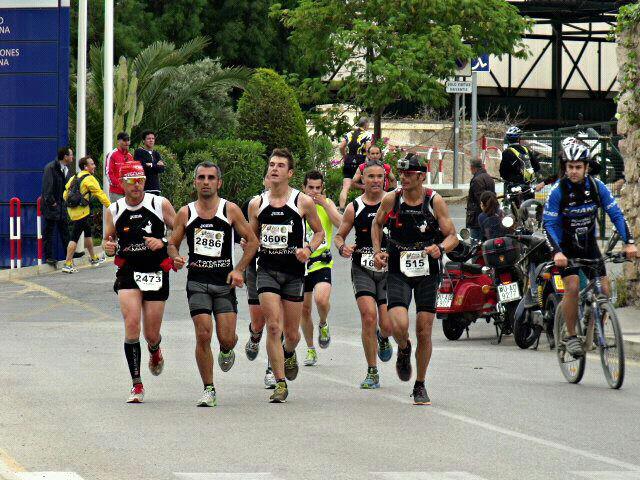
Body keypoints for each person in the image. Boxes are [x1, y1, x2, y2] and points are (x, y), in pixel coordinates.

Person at [168, 161, 259, 407]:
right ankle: (209, 388)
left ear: (219, 183)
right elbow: (173, 243)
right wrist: (175, 257)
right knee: (203, 334)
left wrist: (239, 269)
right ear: (195, 182)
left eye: (210, 178)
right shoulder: (186, 212)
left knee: (226, 338)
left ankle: (228, 348)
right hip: (197, 282)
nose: (206, 182)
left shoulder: (230, 210)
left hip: (223, 284)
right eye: (201, 177)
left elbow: (252, 241)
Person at [371, 153, 459, 405]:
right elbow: (377, 224)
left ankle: (420, 384)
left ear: (421, 176)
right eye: (402, 173)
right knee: (398, 325)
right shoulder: (392, 199)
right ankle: (403, 347)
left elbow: (452, 236)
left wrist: (440, 248)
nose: (404, 178)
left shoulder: (434, 201)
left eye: (409, 174)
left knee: (424, 329)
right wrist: (377, 252)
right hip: (398, 266)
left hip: (427, 270)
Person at [543, 142, 637, 357]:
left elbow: (616, 214)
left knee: (604, 290)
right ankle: (571, 336)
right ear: (565, 167)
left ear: (586, 167)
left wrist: (629, 242)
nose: (574, 171)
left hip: (588, 245)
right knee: (573, 286)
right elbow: (549, 225)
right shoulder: (558, 191)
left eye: (578, 167)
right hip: (564, 247)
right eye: (570, 167)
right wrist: (557, 252)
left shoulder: (597, 187)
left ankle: (595, 326)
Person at [247, 148, 324, 403]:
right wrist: (247, 247)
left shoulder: (303, 202)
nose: (274, 168)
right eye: (272, 164)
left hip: (294, 273)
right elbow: (252, 238)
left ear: (290, 173)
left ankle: (289, 352)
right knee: (273, 326)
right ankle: (280, 383)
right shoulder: (257, 204)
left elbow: (319, 232)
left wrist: (308, 249)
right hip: (266, 270)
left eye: (280, 165)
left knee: (292, 334)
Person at [102, 162, 177, 403]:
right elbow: (108, 240)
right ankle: (136, 384)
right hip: (129, 271)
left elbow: (180, 230)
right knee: (132, 324)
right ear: (121, 183)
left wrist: (162, 242)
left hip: (155, 270)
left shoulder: (159, 204)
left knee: (151, 334)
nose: (137, 185)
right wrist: (108, 247)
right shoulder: (114, 210)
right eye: (132, 181)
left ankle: (155, 350)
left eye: (141, 180)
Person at [335, 160, 394, 389]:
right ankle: (372, 371)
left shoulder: (393, 202)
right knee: (369, 317)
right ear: (363, 180)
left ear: (384, 179)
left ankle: (383, 337)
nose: (376, 180)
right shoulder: (355, 207)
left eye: (380, 176)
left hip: (389, 271)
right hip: (362, 268)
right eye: (371, 176)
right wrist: (342, 247)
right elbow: (339, 236)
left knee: (387, 325)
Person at [300, 170, 342, 366]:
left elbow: (341, 224)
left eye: (318, 188)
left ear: (322, 188)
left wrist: (324, 204)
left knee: (321, 299)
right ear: (304, 188)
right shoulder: (298, 203)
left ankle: (323, 323)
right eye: (310, 188)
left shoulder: (328, 203)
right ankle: (310, 349)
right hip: (301, 263)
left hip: (321, 261)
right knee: (304, 309)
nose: (314, 192)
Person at [241, 176, 278, 388]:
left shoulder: (295, 202)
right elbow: (244, 232)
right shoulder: (253, 203)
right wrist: (245, 241)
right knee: (259, 322)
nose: (273, 179)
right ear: (264, 181)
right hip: (256, 266)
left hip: (281, 268)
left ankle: (272, 370)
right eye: (269, 176)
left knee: (275, 323)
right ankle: (255, 336)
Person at [61, 156, 111, 273]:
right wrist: (111, 206)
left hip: (74, 210)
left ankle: (93, 258)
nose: (94, 166)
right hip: (82, 212)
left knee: (87, 233)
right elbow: (100, 194)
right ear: (85, 167)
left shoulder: (74, 177)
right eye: (92, 164)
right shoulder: (89, 179)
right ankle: (68, 264)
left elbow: (65, 194)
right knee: (74, 237)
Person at [41, 147, 74, 266]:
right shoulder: (50, 168)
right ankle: (49, 257)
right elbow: (47, 188)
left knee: (65, 231)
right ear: (65, 157)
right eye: (71, 155)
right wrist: (52, 203)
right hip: (52, 206)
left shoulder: (66, 169)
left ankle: (70, 254)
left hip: (62, 205)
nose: (72, 157)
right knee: (49, 232)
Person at [499, 126, 546, 196]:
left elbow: (503, 172)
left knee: (514, 202)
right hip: (528, 185)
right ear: (519, 138)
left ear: (508, 139)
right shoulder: (526, 150)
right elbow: (537, 167)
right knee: (529, 201)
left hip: (514, 187)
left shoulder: (507, 152)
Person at [338, 118, 372, 210]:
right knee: (364, 185)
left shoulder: (349, 134)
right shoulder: (367, 134)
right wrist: (369, 161)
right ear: (366, 124)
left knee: (345, 187)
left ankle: (341, 208)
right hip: (361, 161)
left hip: (349, 160)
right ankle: (365, 207)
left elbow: (341, 146)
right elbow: (368, 149)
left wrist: (345, 156)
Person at [466, 159, 495, 241]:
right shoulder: (489, 177)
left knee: (476, 243)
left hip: (477, 218)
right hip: (489, 216)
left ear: (473, 167)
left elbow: (481, 200)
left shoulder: (477, 180)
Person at [106, 132, 136, 202]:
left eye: (128, 140)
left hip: (128, 192)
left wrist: (131, 185)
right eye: (124, 140)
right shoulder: (112, 154)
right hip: (116, 193)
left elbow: (132, 174)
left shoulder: (130, 156)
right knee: (118, 209)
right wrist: (120, 185)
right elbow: (109, 173)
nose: (127, 142)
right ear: (119, 141)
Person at [134, 130, 165, 196]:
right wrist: (156, 165)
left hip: (156, 188)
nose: (151, 140)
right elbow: (141, 167)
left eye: (153, 138)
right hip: (144, 188)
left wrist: (150, 165)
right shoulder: (139, 152)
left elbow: (161, 169)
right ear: (143, 141)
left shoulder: (156, 154)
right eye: (148, 139)